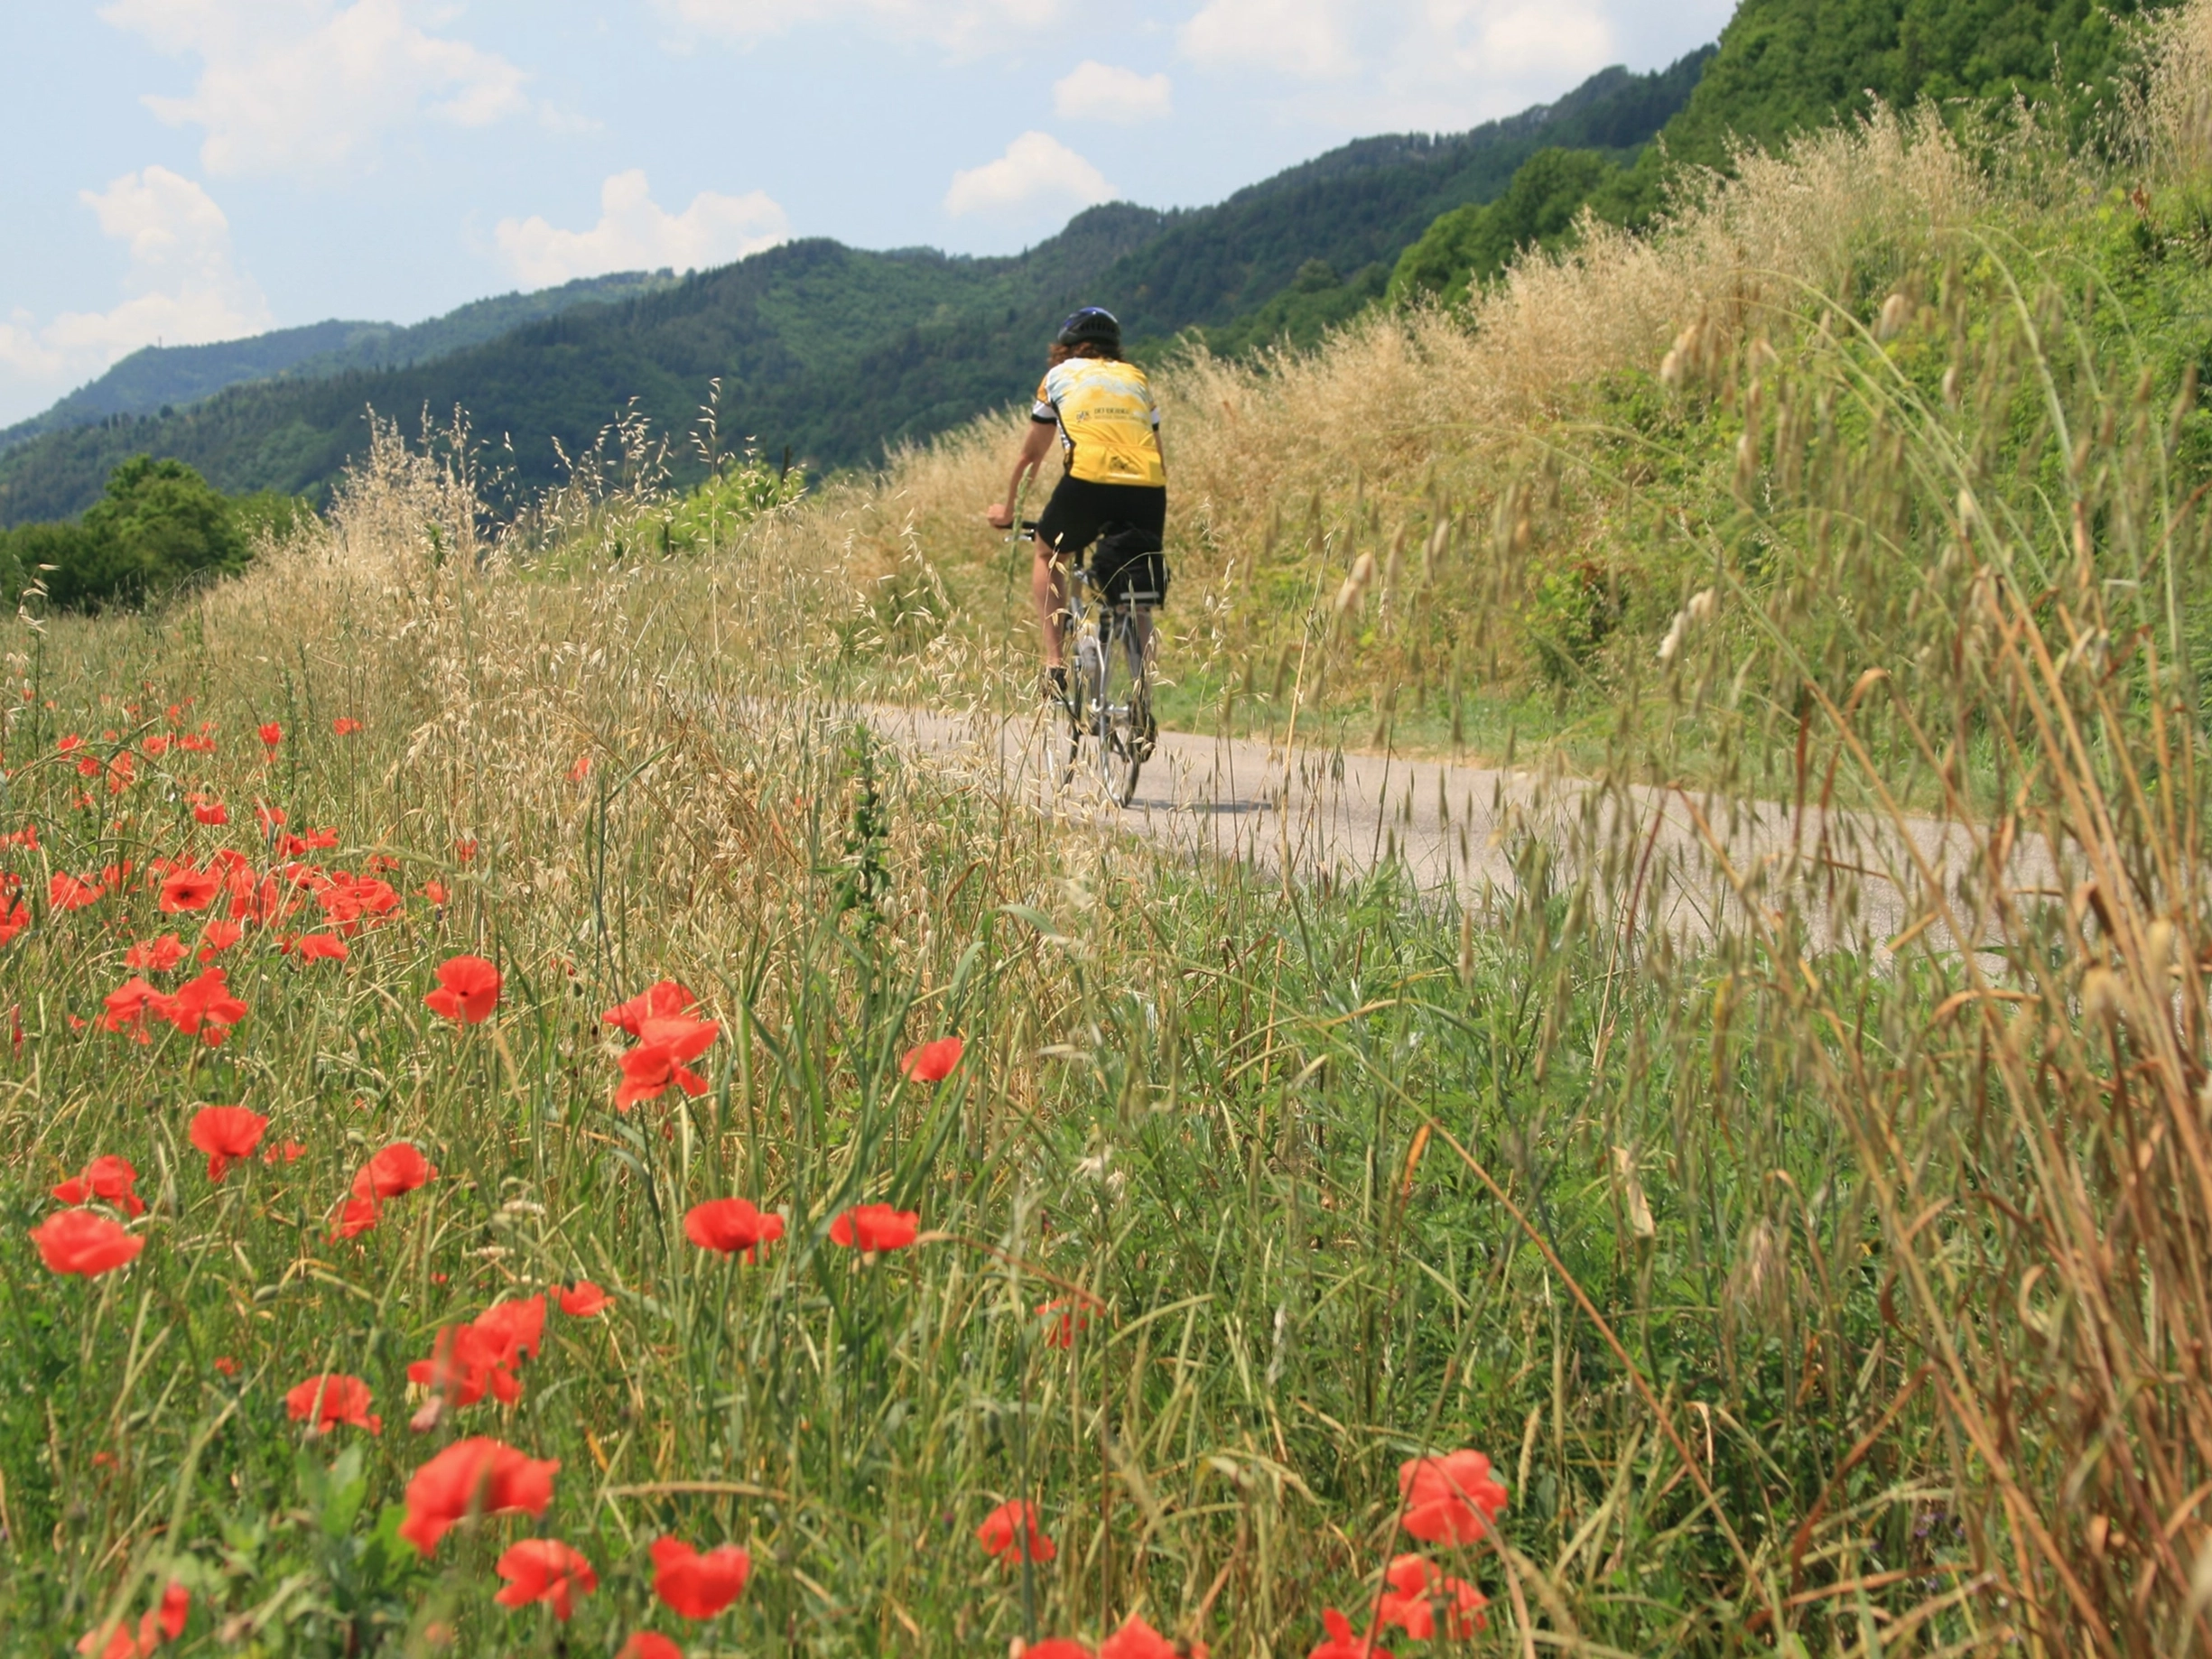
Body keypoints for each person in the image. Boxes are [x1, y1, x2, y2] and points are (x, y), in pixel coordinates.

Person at [987, 307, 1166, 742]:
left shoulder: (1059, 377)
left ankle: (1053, 662)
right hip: (1147, 483)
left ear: (1065, 347)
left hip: (1087, 481)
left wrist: (1008, 509)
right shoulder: (1136, 378)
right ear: (1114, 348)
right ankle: (1142, 693)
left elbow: (1031, 455)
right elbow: (1156, 447)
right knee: (1135, 585)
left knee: (1049, 554)